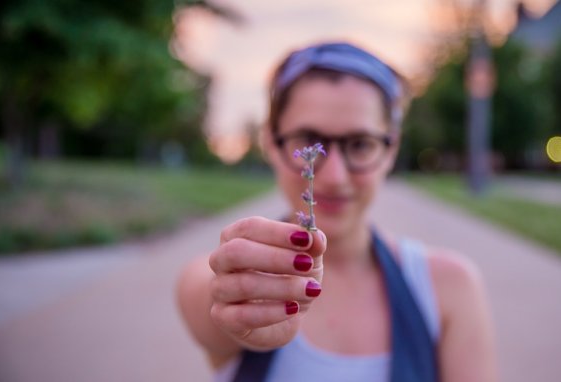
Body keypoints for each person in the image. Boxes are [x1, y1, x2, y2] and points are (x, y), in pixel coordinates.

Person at [176, 41, 497, 382]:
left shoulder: (449, 288)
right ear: (270, 140)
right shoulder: (226, 276)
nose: (333, 176)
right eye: (309, 141)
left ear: (391, 148)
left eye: (360, 144)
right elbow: (207, 300)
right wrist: (233, 302)